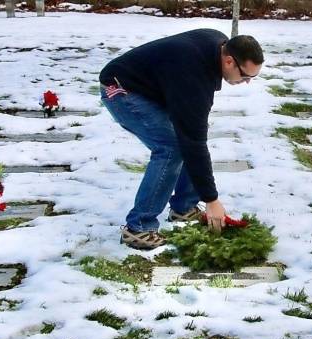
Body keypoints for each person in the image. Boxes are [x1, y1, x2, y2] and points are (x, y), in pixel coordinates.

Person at [99, 28, 264, 250]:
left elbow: (194, 135)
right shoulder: (194, 76)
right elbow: (194, 142)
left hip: (152, 88)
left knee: (186, 138)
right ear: (228, 61)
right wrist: (212, 200)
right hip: (120, 89)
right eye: (246, 76)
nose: (247, 82)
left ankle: (183, 207)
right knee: (171, 148)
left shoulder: (218, 44)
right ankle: (138, 227)